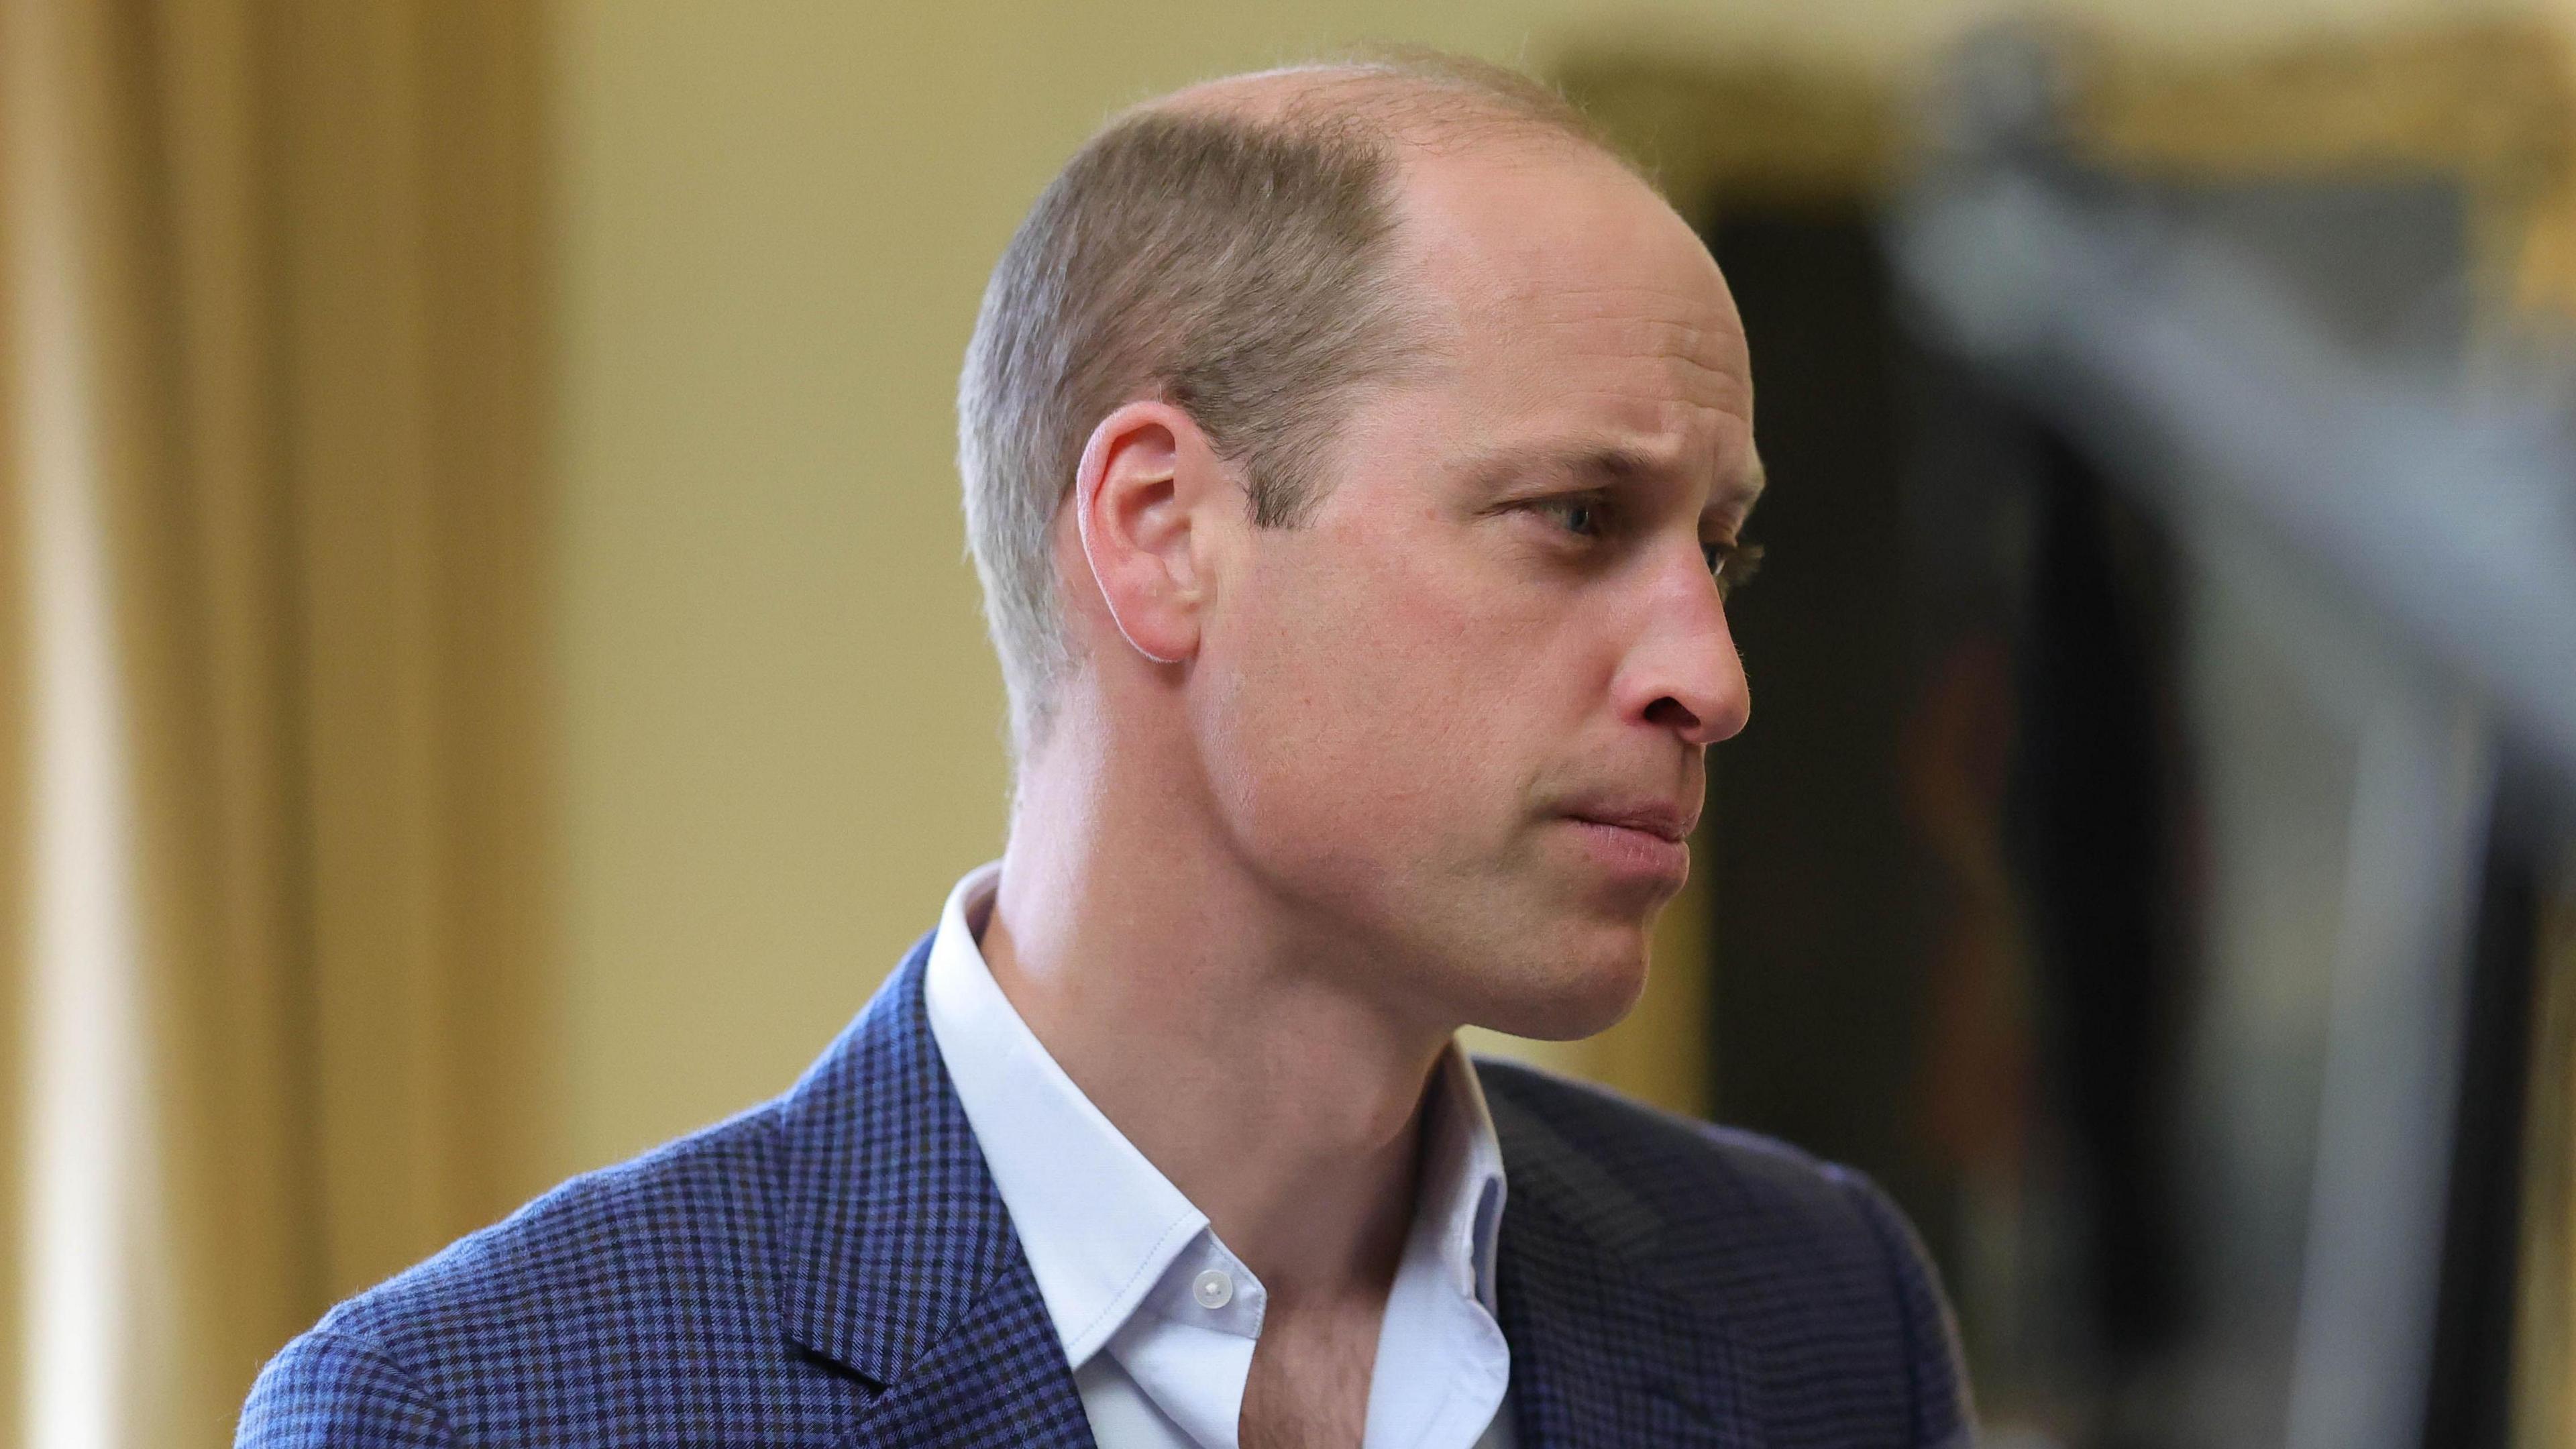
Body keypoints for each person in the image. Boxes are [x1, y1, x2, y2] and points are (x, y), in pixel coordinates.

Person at [240, 53, 1972, 1449]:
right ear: (1162, 533)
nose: (1712, 676)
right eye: (1578, 517)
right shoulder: (473, 1414)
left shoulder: (1817, 1316)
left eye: (1717, 551)